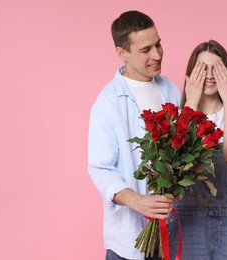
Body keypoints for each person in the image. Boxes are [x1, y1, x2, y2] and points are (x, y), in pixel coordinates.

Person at [88, 10, 180, 260]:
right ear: (122, 53)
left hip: (170, 235)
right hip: (128, 244)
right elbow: (100, 169)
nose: (157, 55)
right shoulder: (107, 102)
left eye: (158, 44)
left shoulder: (170, 88)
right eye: (146, 49)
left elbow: (179, 151)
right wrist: (137, 201)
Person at [168, 40, 227, 259]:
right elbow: (175, 165)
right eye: (202, 69)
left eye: (216, 69)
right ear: (190, 75)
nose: (209, 75)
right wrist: (190, 101)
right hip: (187, 225)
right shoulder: (177, 117)